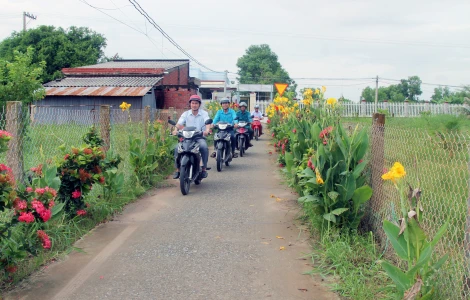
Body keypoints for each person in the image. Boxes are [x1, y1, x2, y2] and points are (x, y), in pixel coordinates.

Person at [172, 95, 210, 179]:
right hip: (187, 137)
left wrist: (207, 130)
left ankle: (204, 169)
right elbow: (179, 123)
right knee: (176, 148)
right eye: (192, 103)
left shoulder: (204, 113)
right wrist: (175, 130)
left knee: (204, 147)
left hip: (199, 137)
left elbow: (207, 122)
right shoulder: (186, 114)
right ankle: (178, 170)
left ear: (199, 104)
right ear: (190, 104)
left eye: (196, 103)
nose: (194, 105)